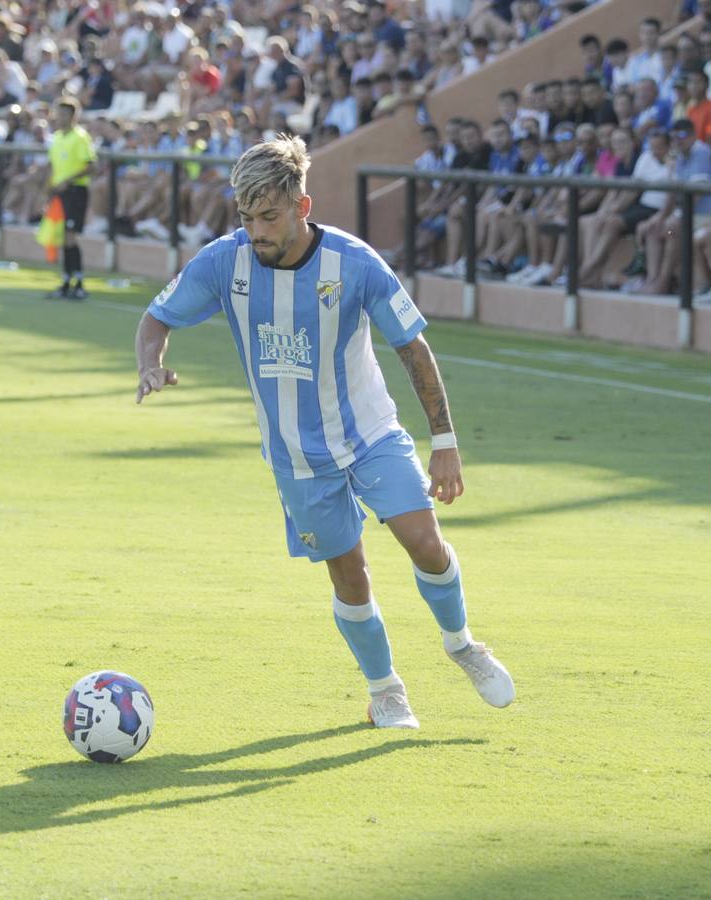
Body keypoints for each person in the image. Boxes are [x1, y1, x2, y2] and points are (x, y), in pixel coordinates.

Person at [133, 136, 515, 729]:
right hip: (296, 456)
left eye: (268, 216)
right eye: (246, 217)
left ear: (301, 207)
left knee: (425, 543)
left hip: (370, 435)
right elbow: (156, 317)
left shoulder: (354, 264)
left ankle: (462, 644)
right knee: (350, 573)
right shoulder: (223, 262)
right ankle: (386, 690)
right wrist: (149, 363)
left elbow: (412, 347)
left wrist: (445, 442)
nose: (255, 230)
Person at [46, 97, 96, 301]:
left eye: (64, 114)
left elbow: (91, 165)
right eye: (58, 113)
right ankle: (67, 281)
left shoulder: (80, 137)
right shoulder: (56, 138)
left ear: (73, 116)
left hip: (76, 191)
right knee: (63, 236)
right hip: (60, 193)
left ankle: (79, 281)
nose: (60, 118)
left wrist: (68, 180)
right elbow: (53, 168)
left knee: (70, 236)